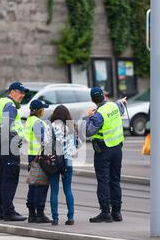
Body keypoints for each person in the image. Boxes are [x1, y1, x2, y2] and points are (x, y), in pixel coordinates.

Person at [83, 87, 127, 223]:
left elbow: (88, 132)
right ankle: (117, 212)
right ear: (104, 96)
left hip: (103, 151)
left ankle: (105, 213)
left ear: (92, 100)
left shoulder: (98, 115)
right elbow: (120, 107)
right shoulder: (114, 106)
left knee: (103, 181)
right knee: (115, 180)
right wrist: (121, 102)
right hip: (117, 149)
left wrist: (86, 116)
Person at [0, 81, 29, 221]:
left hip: (1, 144)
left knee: (0, 178)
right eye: (21, 92)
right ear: (12, 92)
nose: (23, 95)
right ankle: (8, 212)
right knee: (10, 178)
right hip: (9, 144)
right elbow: (6, 126)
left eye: (24, 93)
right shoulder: (10, 105)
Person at [48, 105, 81, 225]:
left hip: (55, 161)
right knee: (68, 189)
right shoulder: (71, 127)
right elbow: (79, 144)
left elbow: (46, 143)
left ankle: (55, 218)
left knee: (54, 191)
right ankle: (70, 217)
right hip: (68, 161)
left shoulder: (51, 126)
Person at [25, 99, 52, 223]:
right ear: (39, 110)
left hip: (32, 155)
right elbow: (44, 140)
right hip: (40, 156)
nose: (44, 111)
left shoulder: (29, 121)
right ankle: (40, 213)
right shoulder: (37, 122)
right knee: (41, 184)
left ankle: (32, 214)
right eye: (43, 109)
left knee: (33, 184)